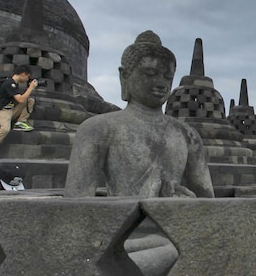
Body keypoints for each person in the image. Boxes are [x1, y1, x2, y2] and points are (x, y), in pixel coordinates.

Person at [65, 30, 214, 198]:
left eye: (167, 77)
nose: (161, 84)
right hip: (120, 223)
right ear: (124, 76)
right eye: (150, 74)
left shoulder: (188, 135)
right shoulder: (97, 129)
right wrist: (141, 205)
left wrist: (188, 204)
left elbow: (208, 203)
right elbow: (75, 205)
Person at [0, 65, 37, 159]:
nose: (27, 79)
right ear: (23, 74)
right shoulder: (9, 84)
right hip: (3, 111)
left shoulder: (14, 84)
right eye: (27, 76)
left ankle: (21, 122)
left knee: (30, 101)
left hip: (11, 109)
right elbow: (20, 100)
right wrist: (30, 88)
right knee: (5, 129)